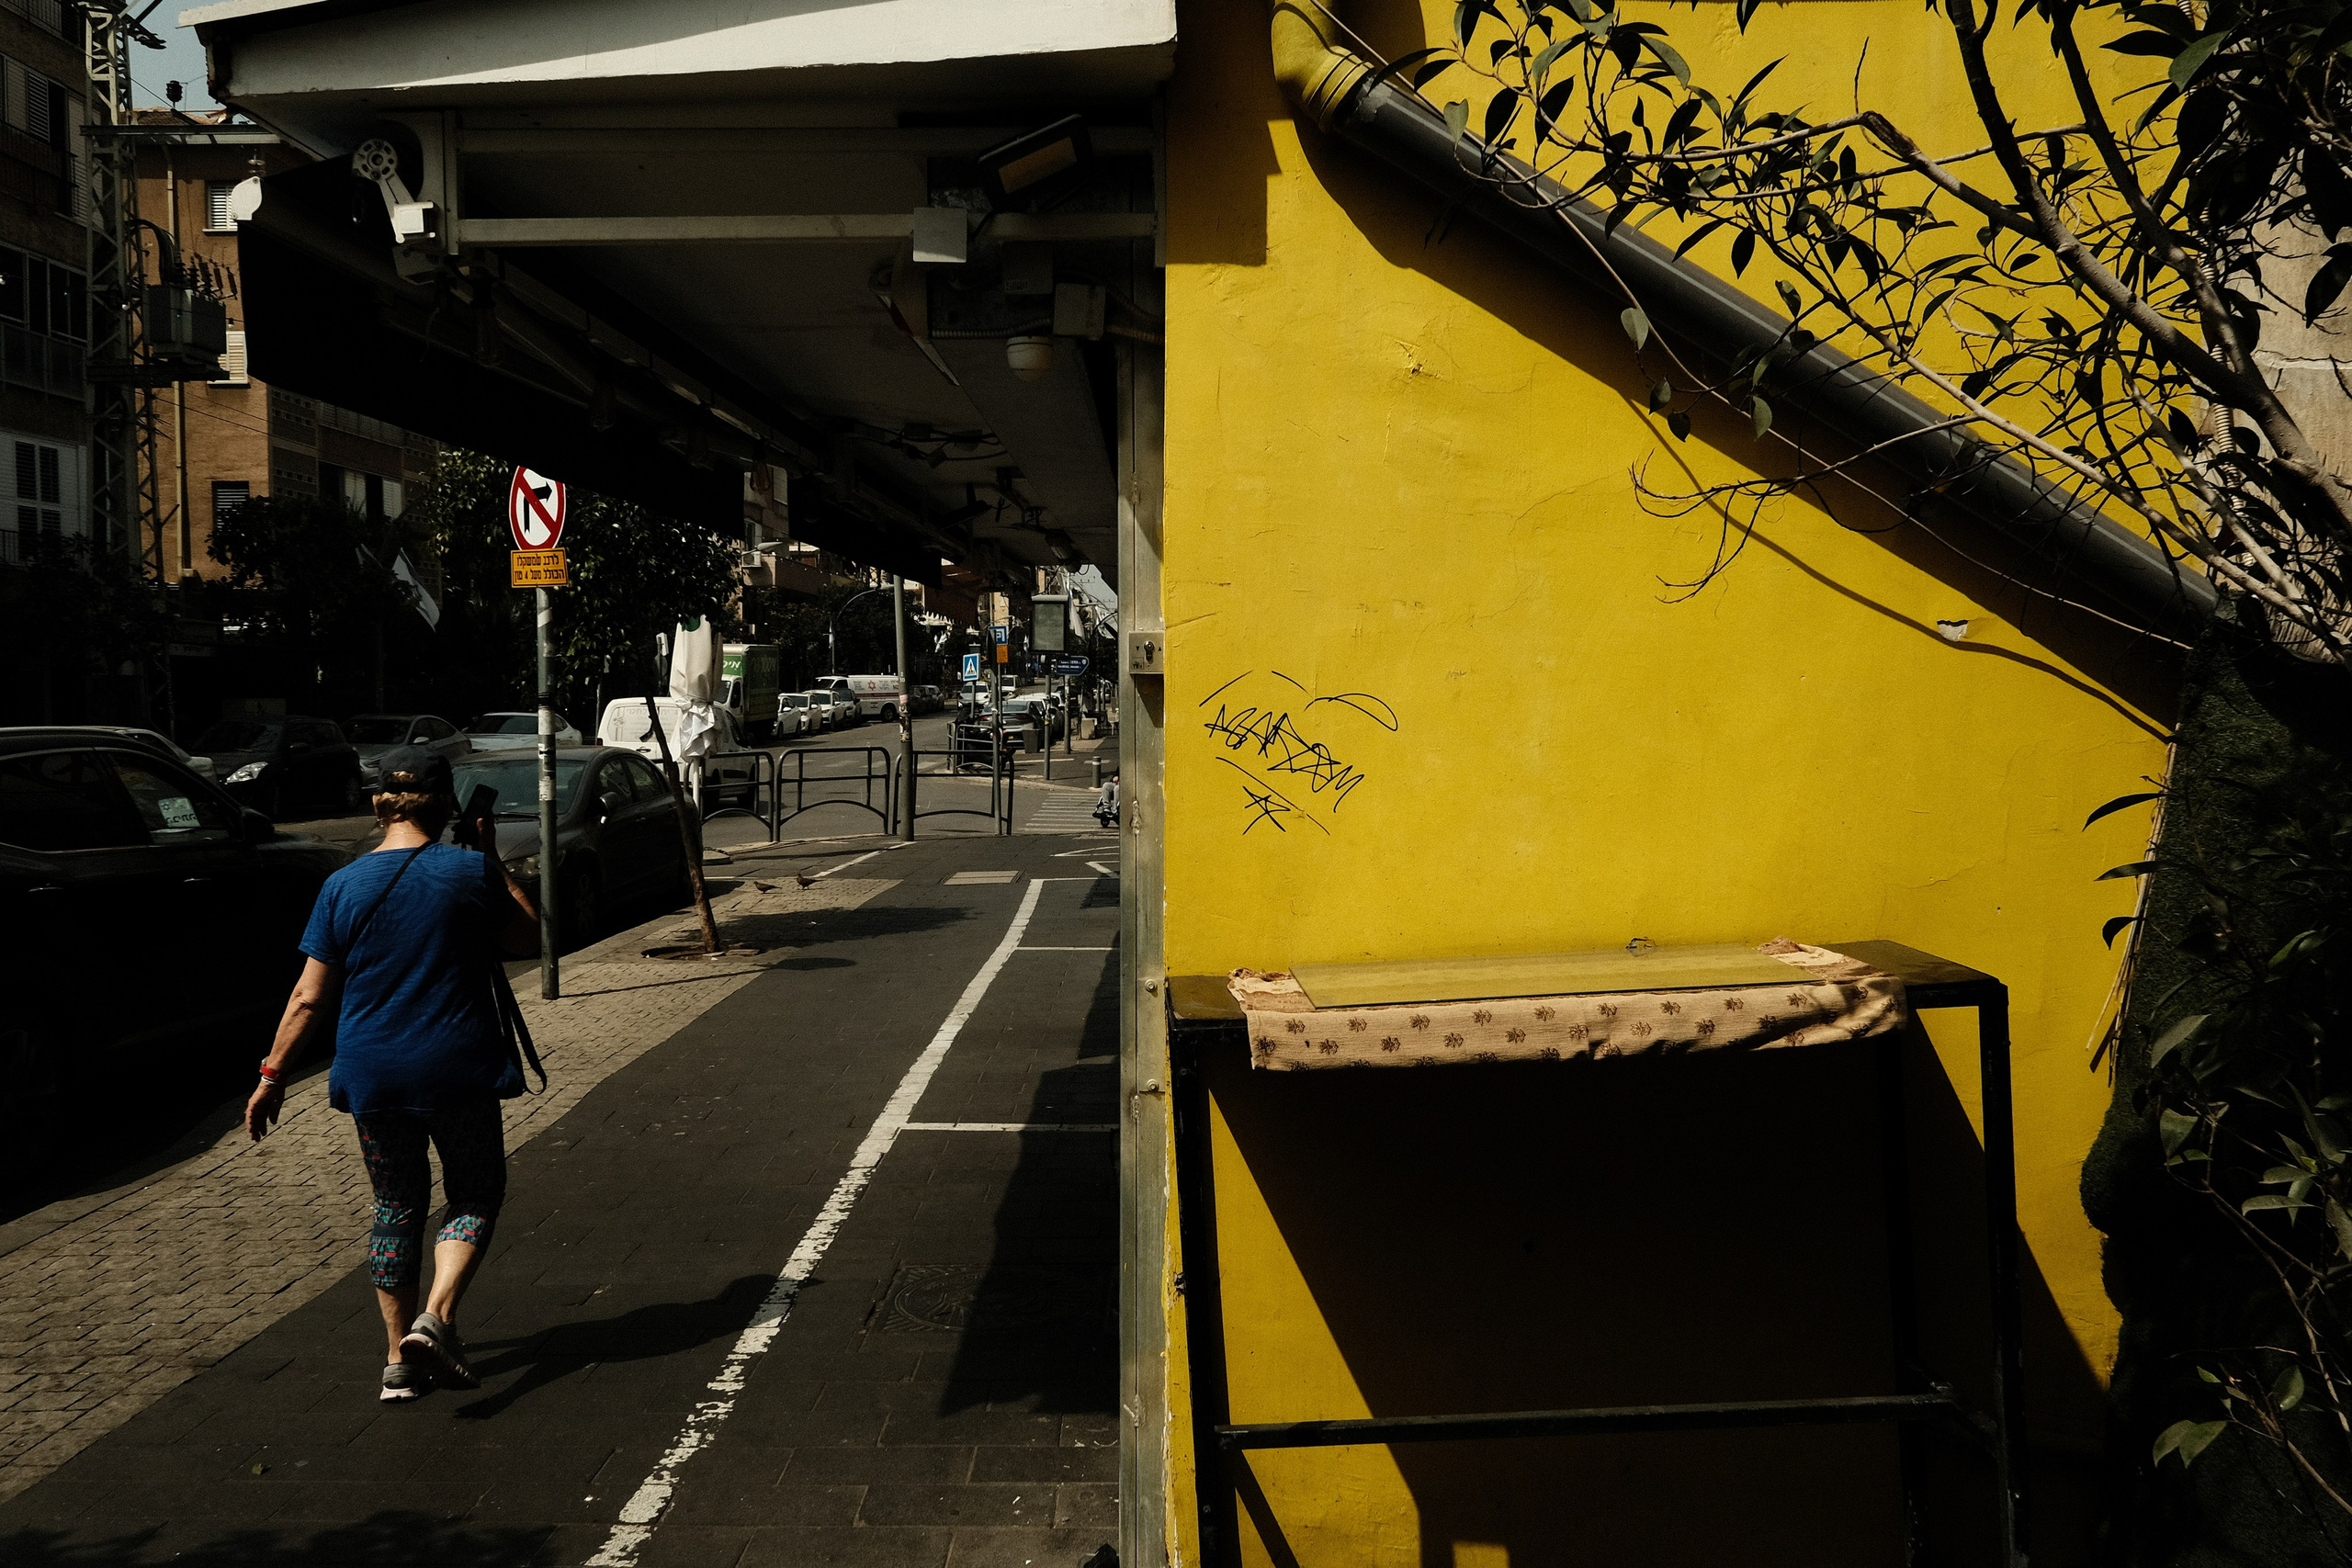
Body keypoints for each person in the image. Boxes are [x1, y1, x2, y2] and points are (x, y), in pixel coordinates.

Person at [246, 745, 541, 1404]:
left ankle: (396, 1360)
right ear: (447, 806)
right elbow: (527, 939)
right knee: (473, 1194)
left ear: (380, 804)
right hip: (458, 1070)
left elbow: (308, 997)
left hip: (374, 1074)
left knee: (395, 1204)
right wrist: (489, 855)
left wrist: (271, 1076)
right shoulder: (468, 872)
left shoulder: (340, 886)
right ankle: (436, 1317)